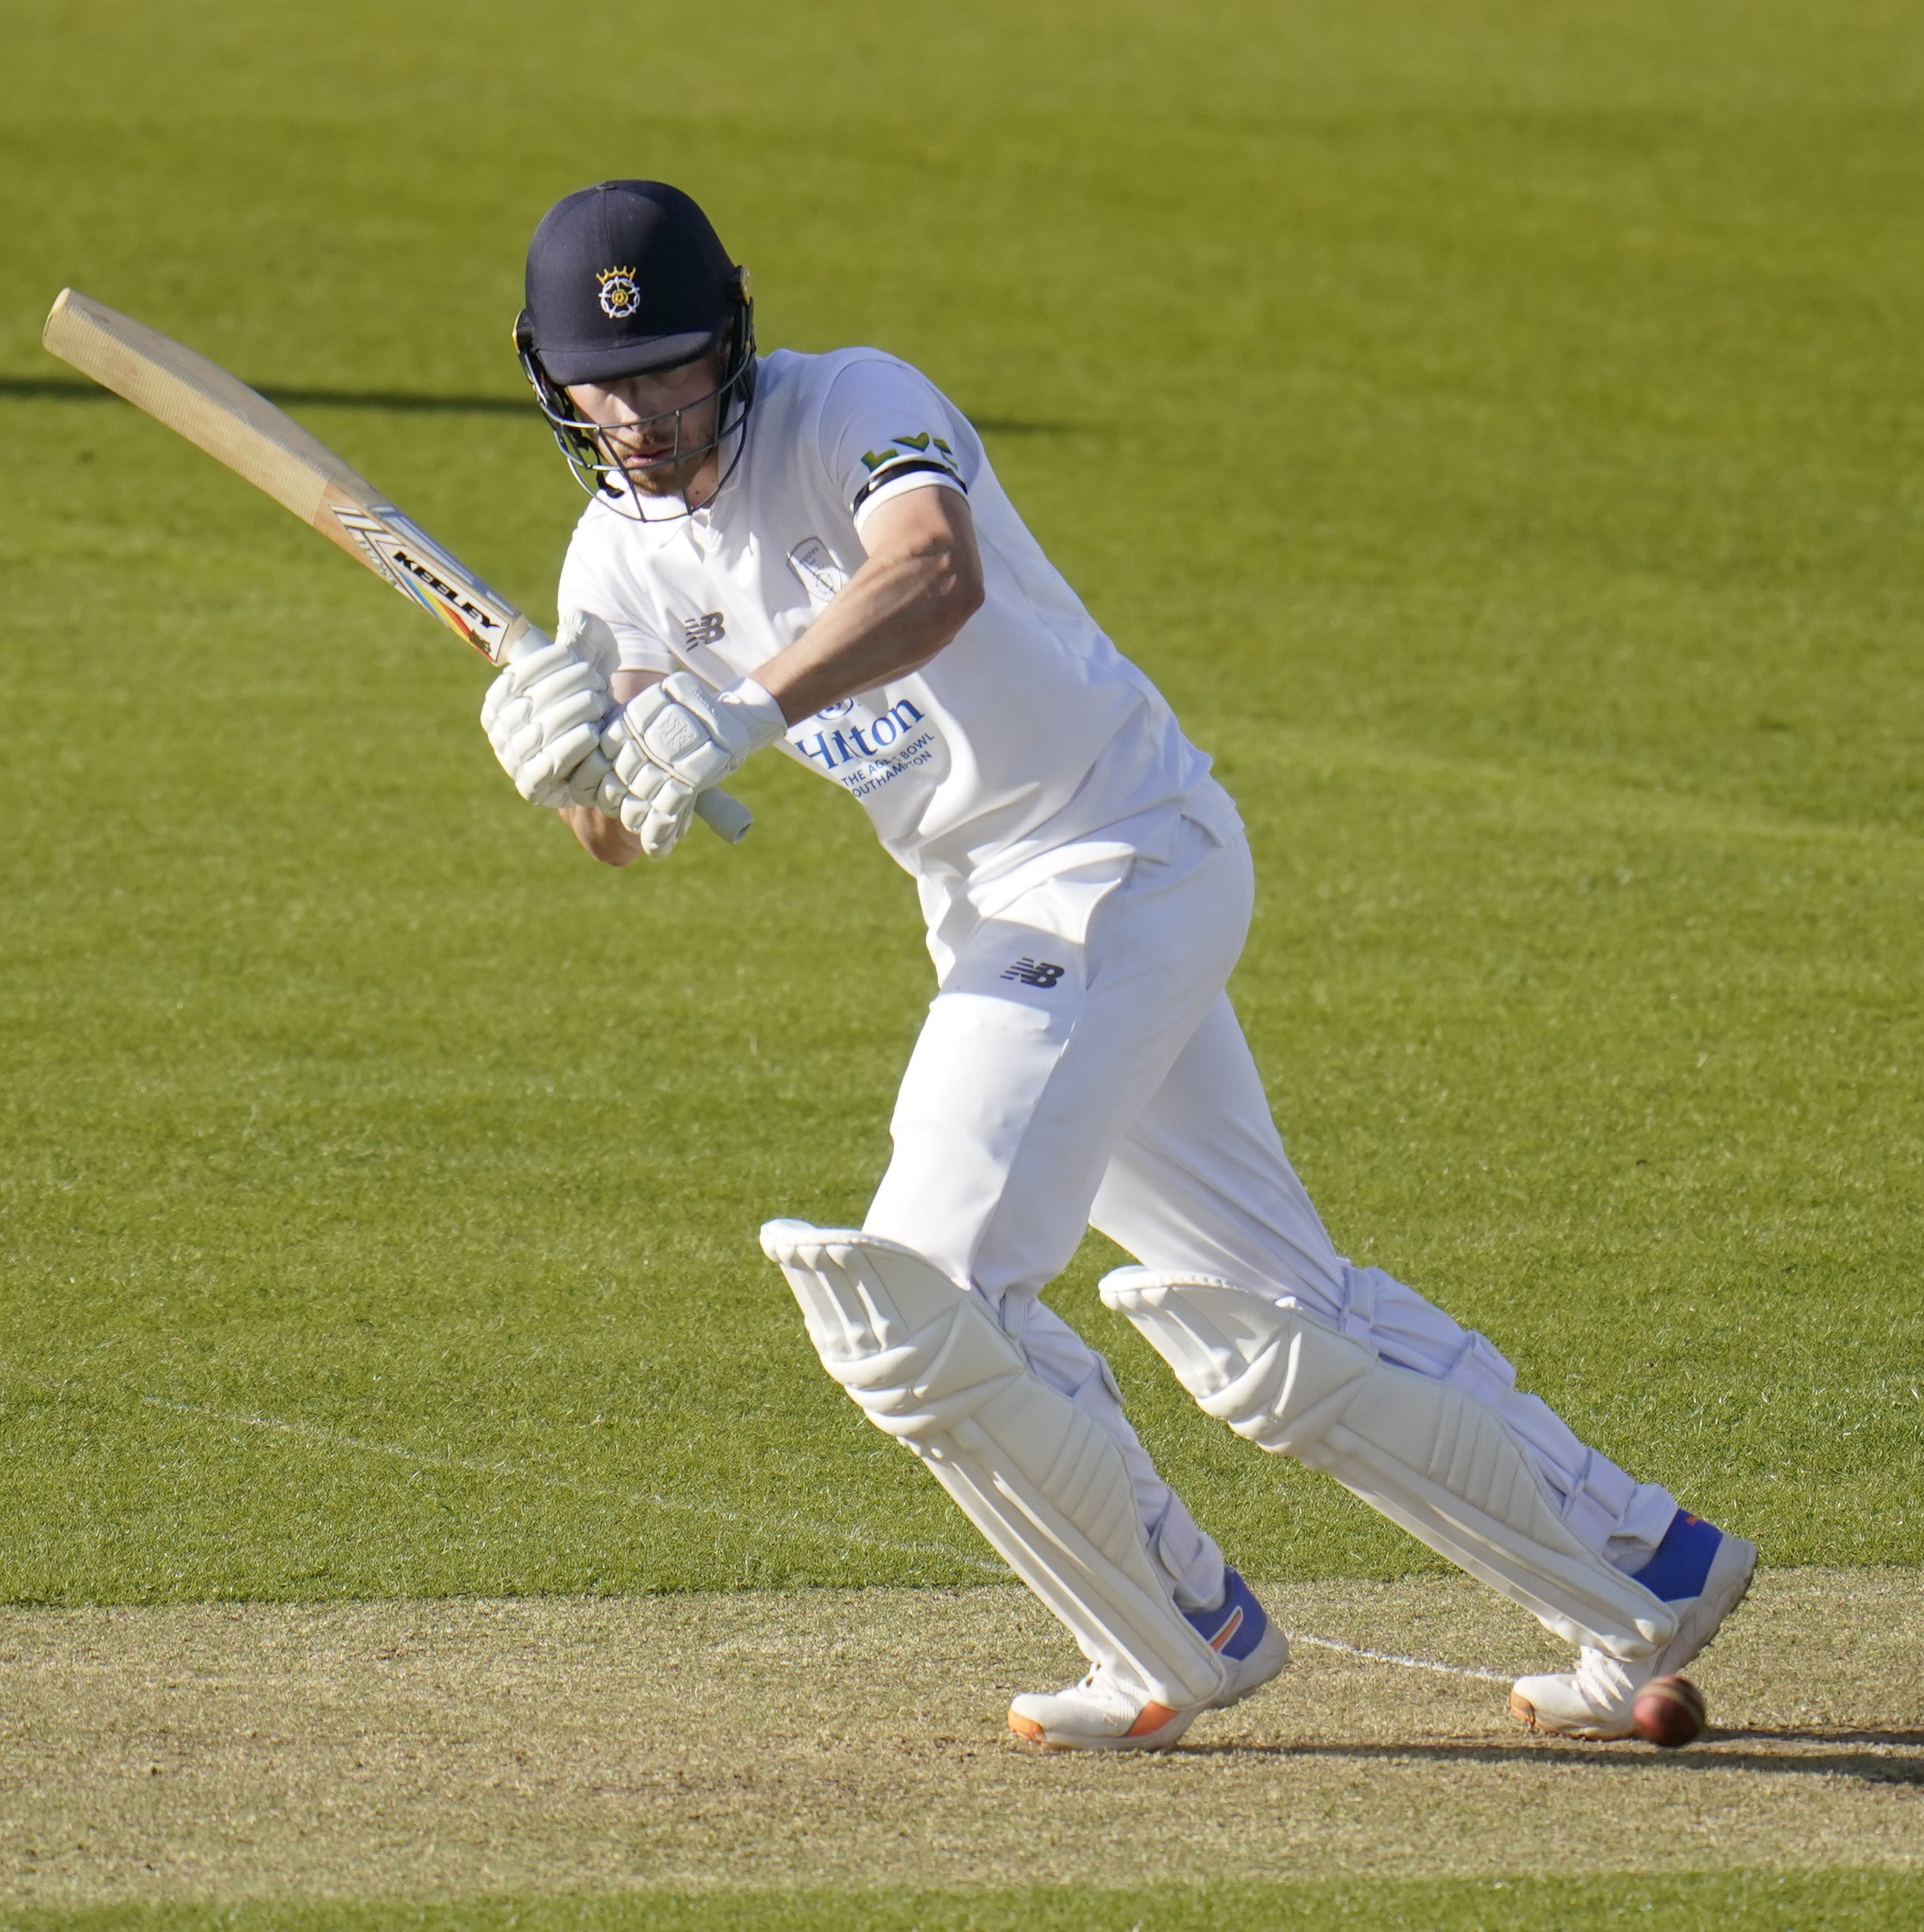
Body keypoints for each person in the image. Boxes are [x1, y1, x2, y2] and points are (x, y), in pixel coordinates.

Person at [478, 180, 1754, 1751]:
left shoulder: (853, 403)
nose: (647, 413)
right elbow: (627, 831)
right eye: (609, 385)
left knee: (917, 1292)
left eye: (674, 369)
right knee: (1274, 1322)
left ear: (732, 342)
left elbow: (930, 572)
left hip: (1113, 854)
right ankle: (1638, 1565)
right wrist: (568, 771)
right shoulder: (614, 566)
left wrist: (740, 701)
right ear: (552, 381)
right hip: (994, 910)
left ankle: (1177, 1634)